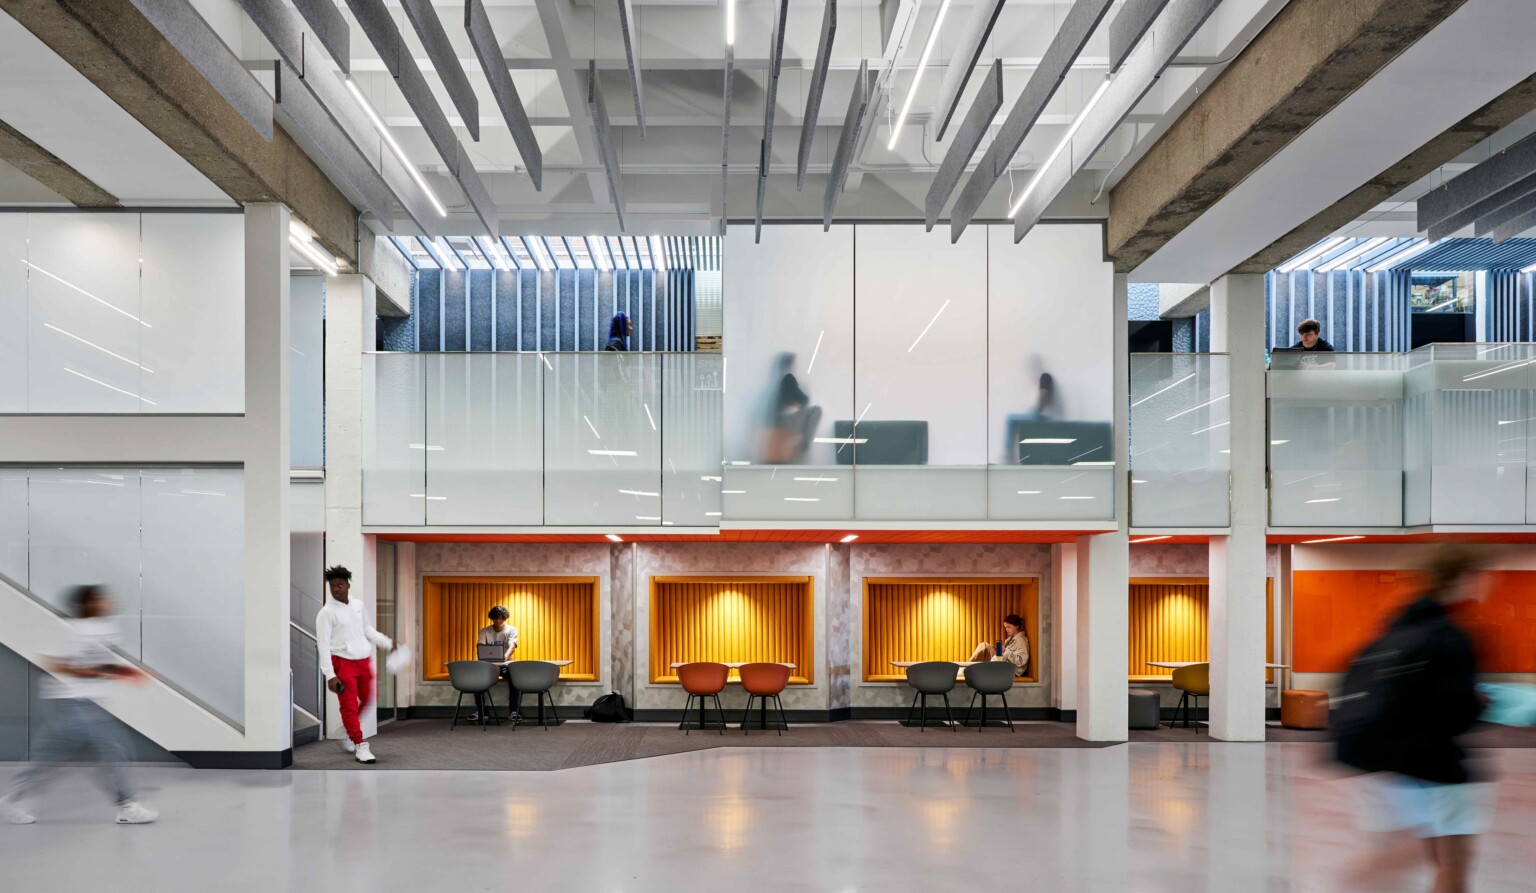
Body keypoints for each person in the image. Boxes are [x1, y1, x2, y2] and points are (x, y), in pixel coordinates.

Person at [1335, 547, 1492, 893]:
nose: (1486, 584)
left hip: (1389, 764)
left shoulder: (1400, 625)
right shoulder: (1450, 636)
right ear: (1462, 578)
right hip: (1436, 766)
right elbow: (1455, 712)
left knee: (1408, 852)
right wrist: (1479, 704)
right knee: (1452, 861)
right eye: (1480, 577)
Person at [0, 585, 158, 825]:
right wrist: (96, 673)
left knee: (50, 758)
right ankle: (126, 805)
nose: (108, 603)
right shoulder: (71, 629)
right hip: (70, 702)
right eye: (102, 599)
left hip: (88, 704)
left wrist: (124, 671)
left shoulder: (106, 629)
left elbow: (102, 665)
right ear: (89, 603)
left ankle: (12, 799)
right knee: (111, 748)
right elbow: (57, 665)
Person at [317, 565, 399, 764]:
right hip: (342, 663)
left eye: (340, 585)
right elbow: (323, 646)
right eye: (332, 586)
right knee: (349, 706)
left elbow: (367, 630)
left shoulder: (358, 605)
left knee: (370, 698)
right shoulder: (326, 613)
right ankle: (360, 745)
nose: (336, 589)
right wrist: (330, 675)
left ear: (348, 585)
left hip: (363, 661)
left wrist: (387, 643)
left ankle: (349, 730)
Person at [468, 606, 522, 724]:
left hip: (505, 665)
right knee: (477, 680)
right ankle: (481, 711)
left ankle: (513, 711)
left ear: (505, 618)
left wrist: (504, 658)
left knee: (515, 678)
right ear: (492, 619)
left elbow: (512, 646)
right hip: (488, 666)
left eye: (501, 619)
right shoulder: (485, 631)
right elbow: (480, 647)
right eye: (495, 619)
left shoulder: (511, 630)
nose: (498, 621)